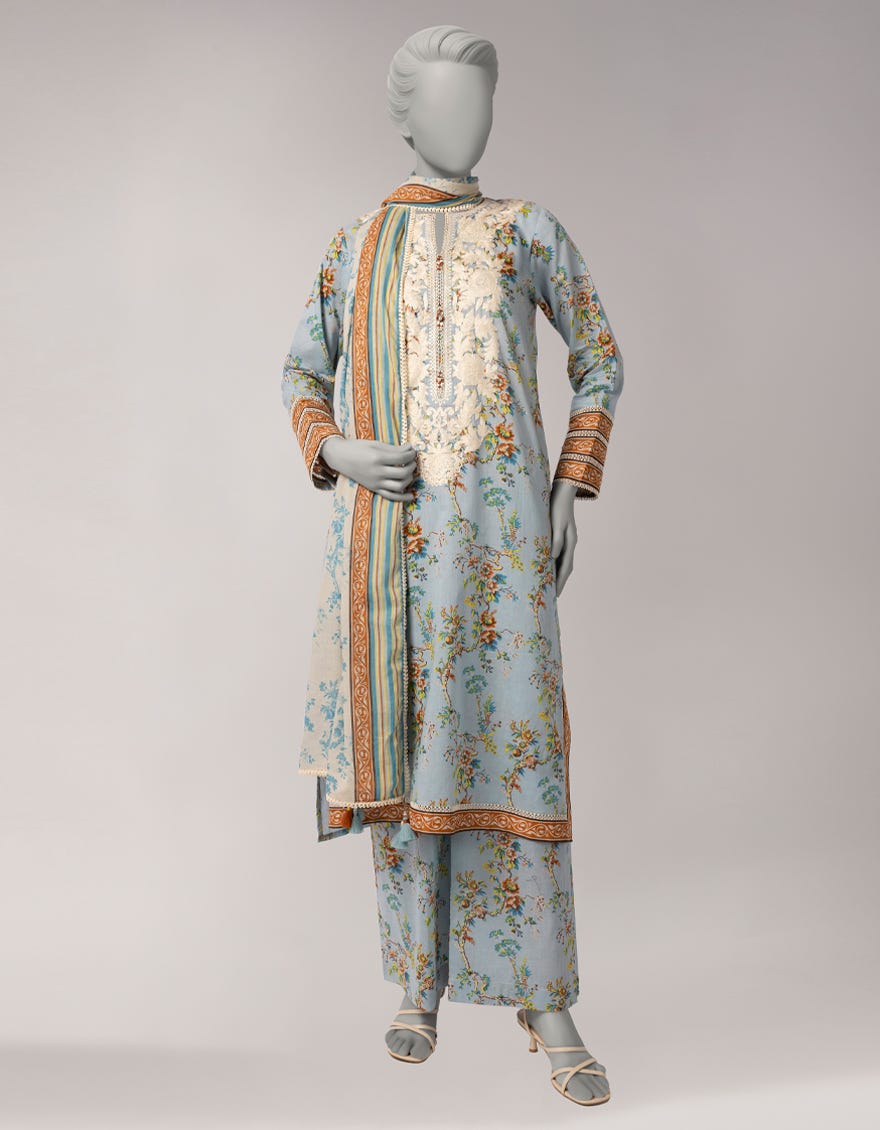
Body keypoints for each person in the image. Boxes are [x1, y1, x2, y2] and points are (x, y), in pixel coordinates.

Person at [281, 24, 623, 1108]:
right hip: (393, 552)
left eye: (480, 100)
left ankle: (546, 996)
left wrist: (568, 487)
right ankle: (415, 981)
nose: (467, 121)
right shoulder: (356, 244)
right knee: (410, 750)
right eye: (445, 101)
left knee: (518, 748)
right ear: (406, 117)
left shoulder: (528, 229)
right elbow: (300, 372)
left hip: (503, 547)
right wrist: (336, 451)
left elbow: (600, 355)